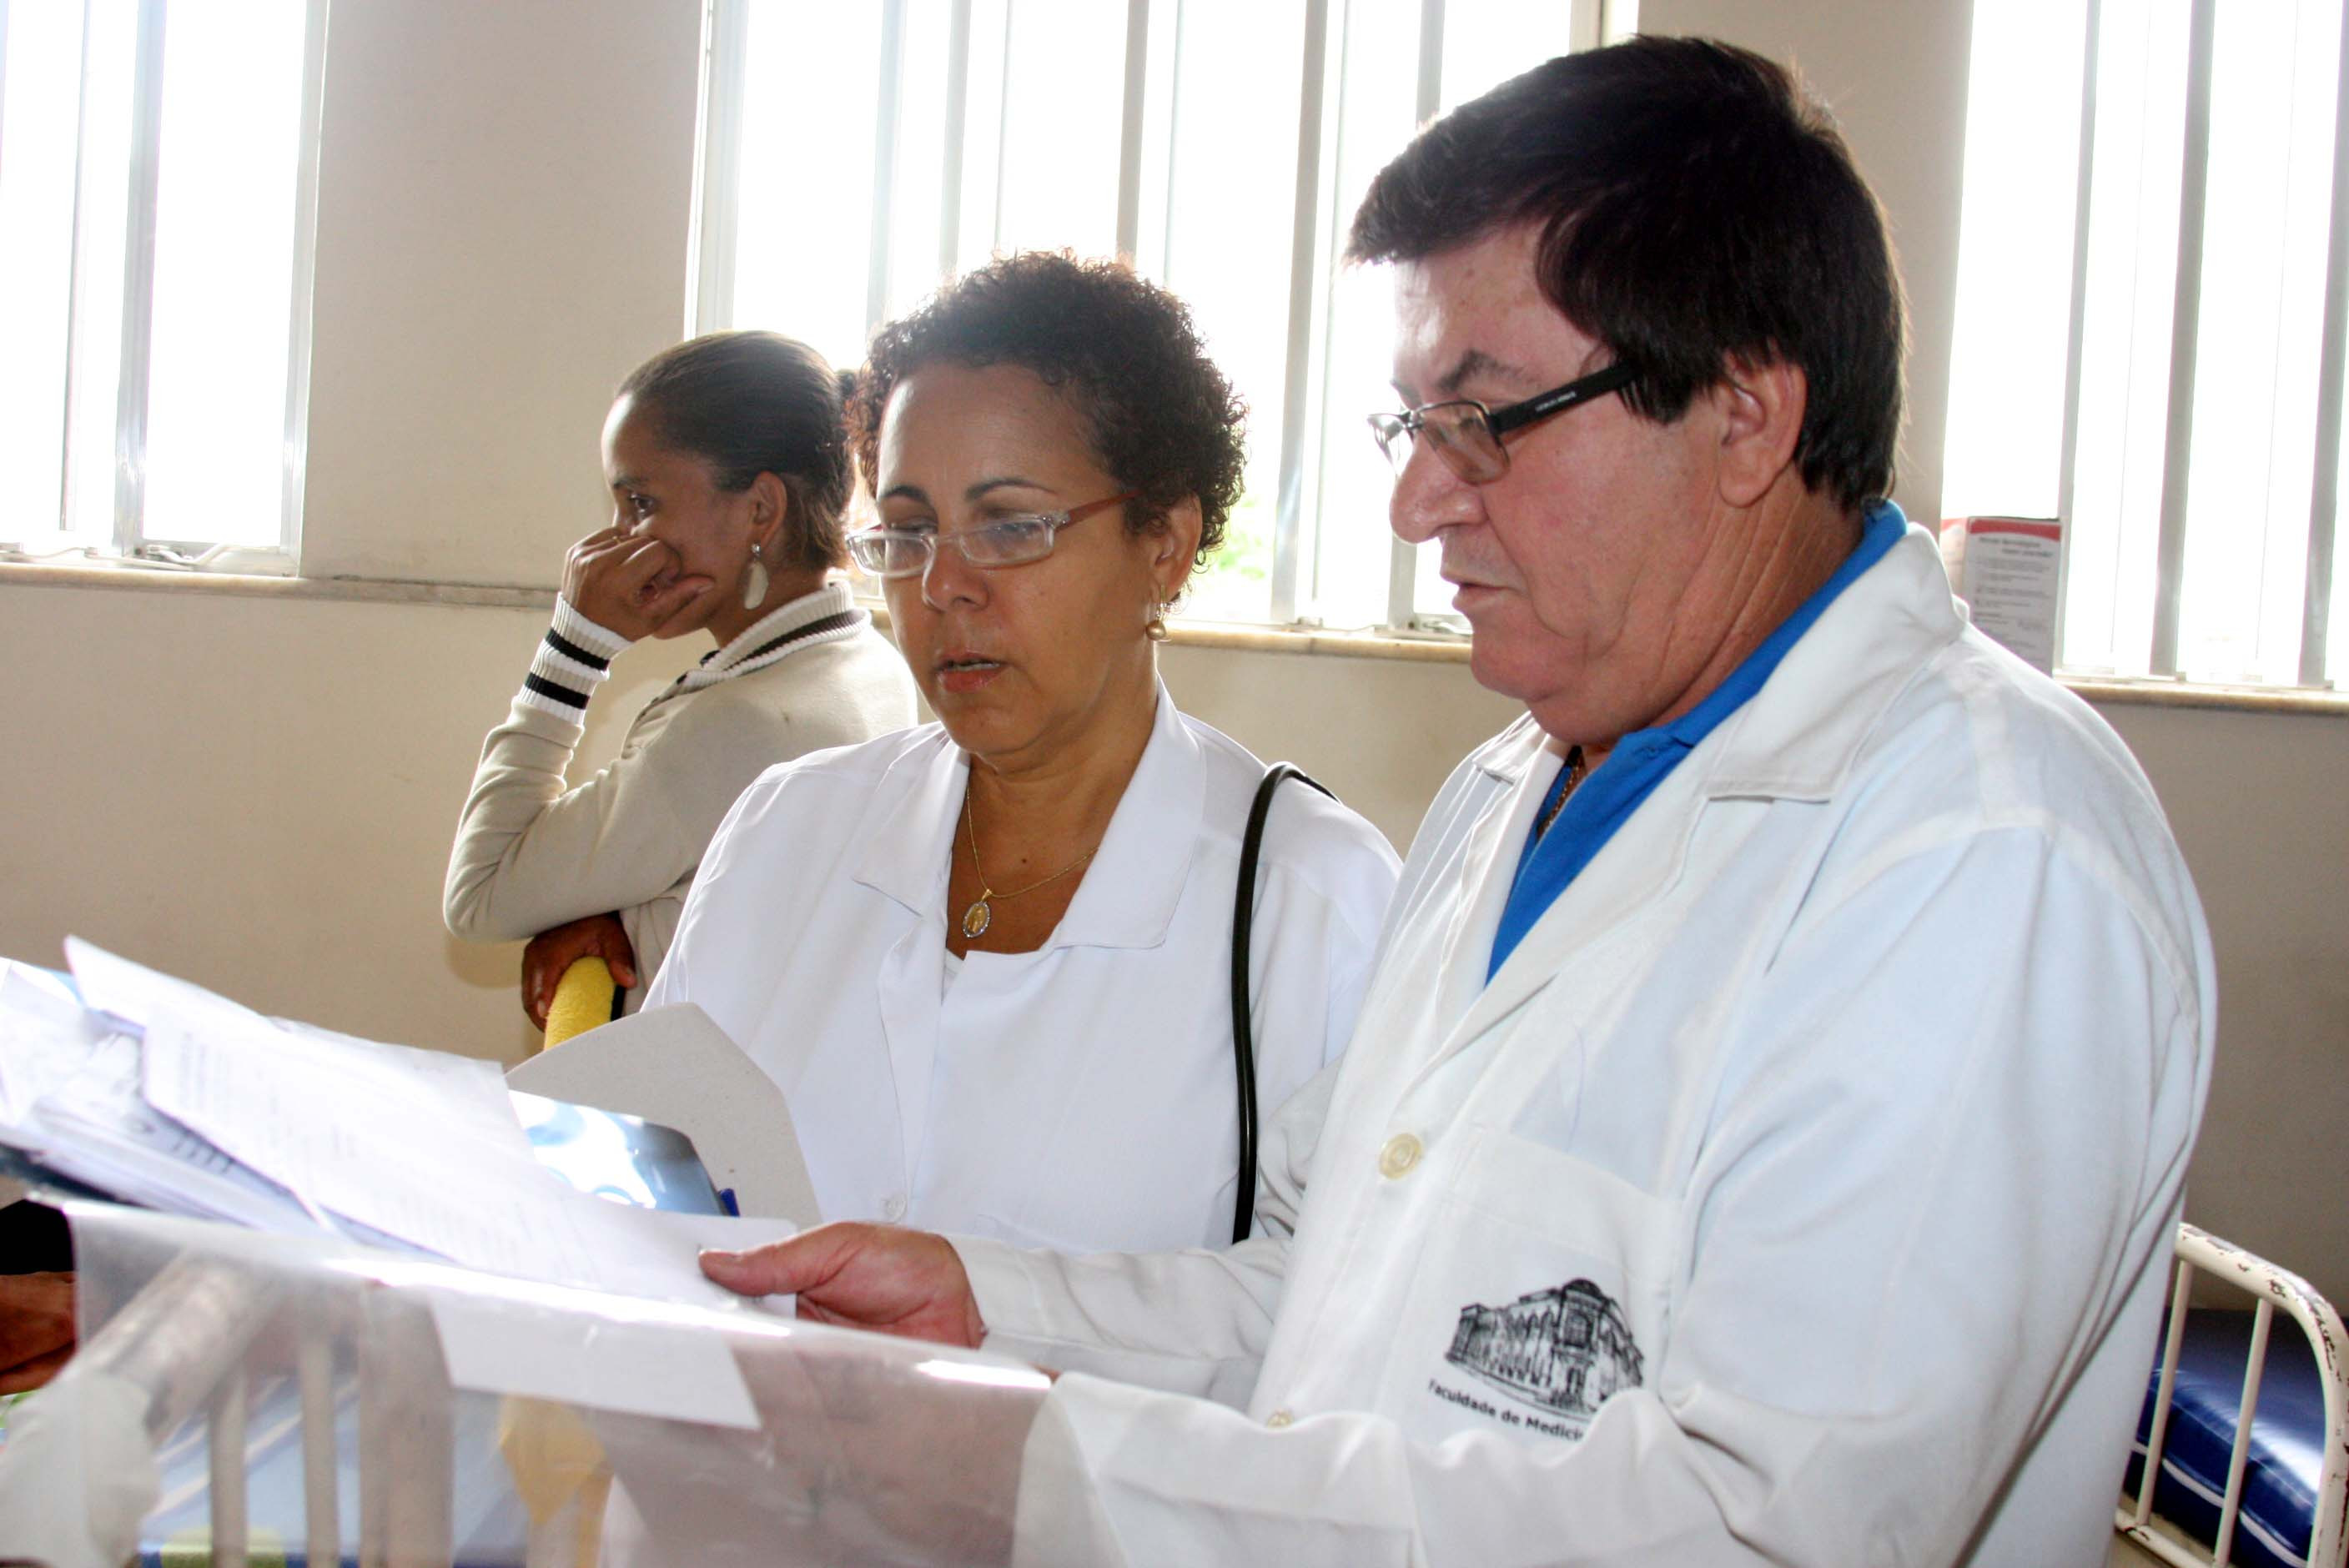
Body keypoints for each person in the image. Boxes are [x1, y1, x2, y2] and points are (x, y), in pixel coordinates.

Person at [698, 38, 2216, 1565]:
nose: (1416, 500)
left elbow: (1754, 1529)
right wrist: (991, 1305)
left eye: (1483, 417)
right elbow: (1330, 1296)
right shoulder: (1520, 788)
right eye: (1411, 424)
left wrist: (1040, 1463)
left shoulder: (1979, 856)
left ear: (1747, 415)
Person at [641, 254, 1401, 1252]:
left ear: (1163, 546)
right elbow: (647, 1183)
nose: (944, 583)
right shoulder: (787, 829)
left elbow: (1333, 1319)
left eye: (1010, 526)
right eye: (908, 532)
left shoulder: (1313, 906)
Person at [443, 331, 917, 1026]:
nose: (616, 542)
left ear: (760, 508)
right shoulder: (871, 662)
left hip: (675, 1113)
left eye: (640, 503)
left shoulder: (732, 725)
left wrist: (571, 651)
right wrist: (613, 905)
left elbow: (480, 894)